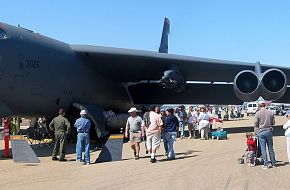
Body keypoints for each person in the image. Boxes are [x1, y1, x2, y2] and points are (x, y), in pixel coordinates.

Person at [254, 102, 276, 169]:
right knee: (271, 148)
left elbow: (256, 124)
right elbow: (274, 123)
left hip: (261, 132)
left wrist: (256, 133)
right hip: (269, 131)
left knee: (263, 149)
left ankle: (266, 164)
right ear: (265, 105)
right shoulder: (271, 112)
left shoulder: (257, 113)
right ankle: (273, 163)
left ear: (259, 106)